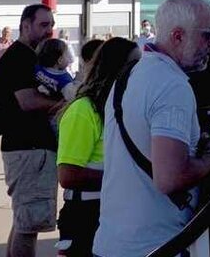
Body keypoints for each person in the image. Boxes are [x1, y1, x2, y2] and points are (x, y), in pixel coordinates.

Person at [93, 0, 210, 257]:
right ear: (178, 36)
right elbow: (170, 178)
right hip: (156, 244)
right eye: (207, 34)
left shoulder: (128, 77)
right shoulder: (171, 85)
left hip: (112, 242)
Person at [0, 4, 61, 257]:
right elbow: (27, 101)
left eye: (51, 24)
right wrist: (64, 106)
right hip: (29, 150)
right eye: (43, 25)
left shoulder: (26, 57)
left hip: (26, 148)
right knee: (29, 224)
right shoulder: (21, 58)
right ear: (25, 26)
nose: (49, 30)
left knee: (24, 221)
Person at [55, 38, 139, 257]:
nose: (140, 71)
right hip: (87, 213)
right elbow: (68, 174)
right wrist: (124, 177)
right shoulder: (84, 110)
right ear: (116, 68)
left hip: (119, 208)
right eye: (134, 64)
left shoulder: (125, 106)